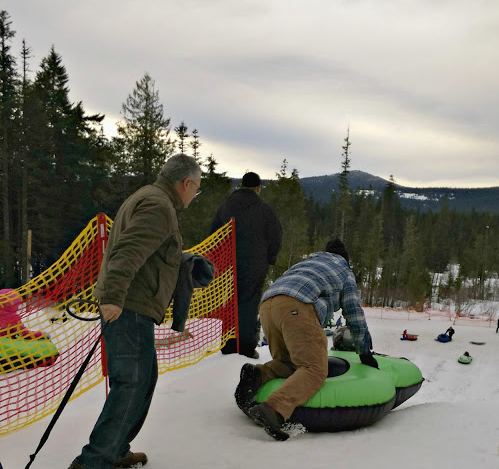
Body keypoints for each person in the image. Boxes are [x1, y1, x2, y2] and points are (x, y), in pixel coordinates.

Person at [69, 154, 202, 469]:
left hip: (133, 303)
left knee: (142, 379)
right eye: (197, 188)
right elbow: (128, 251)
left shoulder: (151, 198)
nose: (195, 195)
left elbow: (144, 249)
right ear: (186, 183)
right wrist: (114, 296)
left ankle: (114, 449)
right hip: (129, 306)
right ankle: (95, 460)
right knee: (132, 382)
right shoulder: (158, 206)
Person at [234, 239, 377, 441]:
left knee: (288, 363)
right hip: (298, 306)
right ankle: (273, 409)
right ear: (345, 258)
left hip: (268, 305)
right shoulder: (344, 271)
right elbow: (354, 313)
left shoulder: (307, 263)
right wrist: (364, 350)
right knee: (314, 369)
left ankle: (257, 375)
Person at [210, 171, 282, 358]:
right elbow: (276, 236)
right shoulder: (265, 210)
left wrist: (216, 261)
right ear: (258, 188)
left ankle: (228, 343)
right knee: (249, 304)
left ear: (241, 185)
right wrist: (270, 258)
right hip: (255, 265)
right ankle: (246, 346)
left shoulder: (225, 207)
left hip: (227, 264)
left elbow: (213, 234)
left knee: (229, 302)